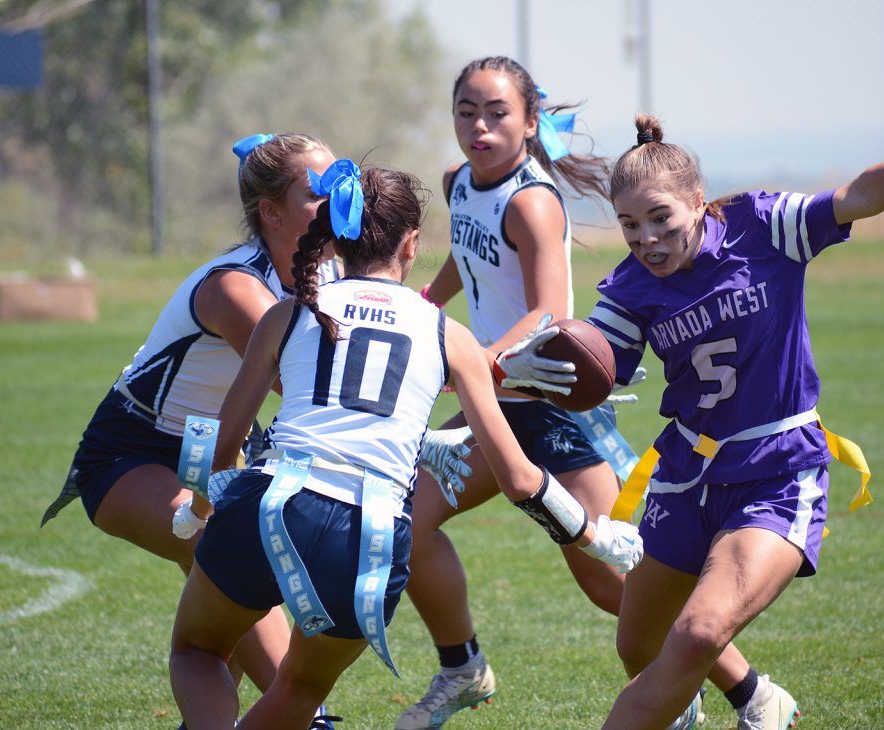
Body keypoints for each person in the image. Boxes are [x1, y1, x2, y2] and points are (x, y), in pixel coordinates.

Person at [167, 160, 643, 730]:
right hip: (367, 534)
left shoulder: (287, 314)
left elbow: (222, 446)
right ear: (412, 244)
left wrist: (197, 512)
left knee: (196, 652)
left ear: (337, 236)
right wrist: (594, 535)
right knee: (299, 686)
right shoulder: (451, 336)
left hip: (269, 501)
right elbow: (519, 479)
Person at [397, 55, 783, 730]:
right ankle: (462, 668)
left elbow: (547, 312)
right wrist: (428, 300)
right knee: (406, 523)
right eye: (467, 112)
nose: (480, 126)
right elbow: (470, 248)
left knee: (620, 584)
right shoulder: (459, 181)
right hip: (497, 401)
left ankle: (753, 696)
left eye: (497, 113)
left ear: (529, 121)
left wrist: (472, 362)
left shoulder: (533, 200)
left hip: (548, 403)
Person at [584, 105, 884, 729]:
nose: (647, 239)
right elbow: (593, 359)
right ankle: (758, 703)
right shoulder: (630, 284)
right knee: (640, 646)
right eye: (630, 225)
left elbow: (856, 196)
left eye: (661, 218)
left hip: (775, 467)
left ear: (698, 200)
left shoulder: (761, 226)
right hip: (688, 470)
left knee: (700, 631)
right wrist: (541, 366)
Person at [40, 133, 343, 724]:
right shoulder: (235, 286)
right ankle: (314, 720)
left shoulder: (329, 273)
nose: (335, 202)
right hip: (132, 452)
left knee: (226, 607)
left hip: (225, 450)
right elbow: (305, 380)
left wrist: (486, 365)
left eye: (340, 186)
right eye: (317, 193)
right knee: (222, 550)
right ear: (271, 213)